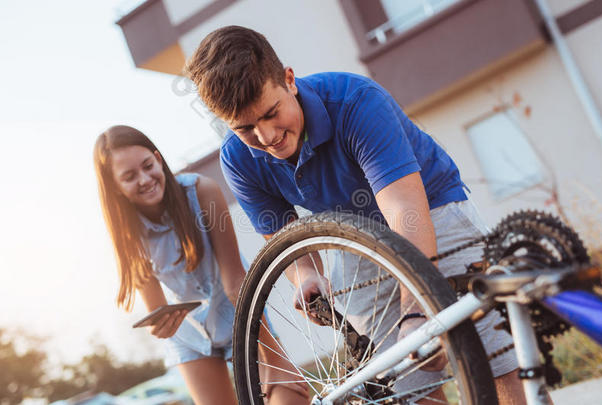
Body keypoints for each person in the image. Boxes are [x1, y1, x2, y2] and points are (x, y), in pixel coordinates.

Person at [184, 25, 528, 404]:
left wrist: (416, 310)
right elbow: (287, 239)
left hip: (429, 210)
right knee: (402, 381)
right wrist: (308, 275)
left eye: (271, 113)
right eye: (246, 128)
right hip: (355, 239)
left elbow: (405, 211)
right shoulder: (238, 159)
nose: (267, 137)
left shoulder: (355, 101)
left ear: (289, 80)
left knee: (497, 363)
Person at [93, 125, 308, 405]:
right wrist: (159, 325)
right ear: (116, 187)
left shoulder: (201, 191)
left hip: (239, 315)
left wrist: (274, 358)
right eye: (129, 177)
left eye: (147, 166)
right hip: (191, 338)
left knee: (290, 398)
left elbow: (235, 280)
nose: (145, 179)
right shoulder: (125, 234)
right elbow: (156, 311)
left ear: (158, 159)